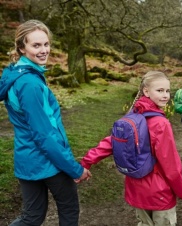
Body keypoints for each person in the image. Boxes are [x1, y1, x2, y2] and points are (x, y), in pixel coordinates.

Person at [0, 20, 91, 226]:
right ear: (22, 48)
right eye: (36, 45)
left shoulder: (17, 74)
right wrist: (74, 169)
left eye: (46, 44)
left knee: (31, 217)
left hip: (26, 159)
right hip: (48, 161)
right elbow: (45, 134)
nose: (44, 50)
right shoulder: (29, 84)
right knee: (68, 209)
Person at [80, 71, 182, 226]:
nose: (166, 95)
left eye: (168, 91)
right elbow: (171, 167)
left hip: (137, 189)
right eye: (160, 90)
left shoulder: (132, 116)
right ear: (146, 91)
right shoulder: (161, 124)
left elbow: (110, 142)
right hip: (160, 192)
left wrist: (86, 162)